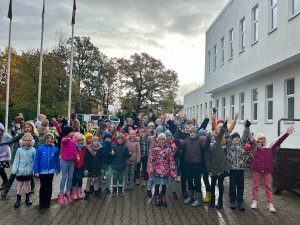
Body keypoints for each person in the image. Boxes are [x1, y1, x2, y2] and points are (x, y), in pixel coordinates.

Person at [248, 126, 295, 213]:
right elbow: (251, 139)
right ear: (257, 140)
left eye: (264, 138)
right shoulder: (255, 147)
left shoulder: (270, 147)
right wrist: (247, 128)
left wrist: (286, 133)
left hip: (267, 171)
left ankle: (270, 203)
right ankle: (254, 201)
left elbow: (278, 140)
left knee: (268, 187)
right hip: (257, 170)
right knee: (255, 186)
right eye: (261, 139)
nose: (263, 140)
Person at [0, 121, 39, 198]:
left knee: (30, 172)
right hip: (21, 158)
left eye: (29, 127)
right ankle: (6, 190)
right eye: (25, 127)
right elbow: (12, 140)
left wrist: (30, 148)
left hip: (30, 158)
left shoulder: (35, 136)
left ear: (32, 128)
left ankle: (32, 187)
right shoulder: (21, 135)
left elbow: (36, 146)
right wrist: (2, 143)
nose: (27, 128)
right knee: (13, 173)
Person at [175, 126, 210, 207]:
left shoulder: (200, 141)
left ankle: (199, 200)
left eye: (194, 132)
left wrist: (208, 139)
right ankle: (190, 197)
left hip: (197, 165)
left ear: (196, 133)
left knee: (197, 182)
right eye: (191, 132)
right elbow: (180, 146)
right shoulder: (186, 140)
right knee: (190, 181)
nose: (192, 133)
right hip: (188, 165)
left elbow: (205, 147)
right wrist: (176, 139)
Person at [225, 120, 253, 211]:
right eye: (234, 137)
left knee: (240, 186)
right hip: (232, 169)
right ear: (232, 139)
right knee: (232, 186)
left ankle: (240, 201)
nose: (236, 138)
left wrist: (247, 127)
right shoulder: (229, 145)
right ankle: (232, 201)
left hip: (241, 169)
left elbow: (245, 136)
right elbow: (226, 135)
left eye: (238, 137)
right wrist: (225, 126)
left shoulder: (242, 144)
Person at [206, 120, 231, 209]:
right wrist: (209, 170)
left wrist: (225, 124)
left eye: (214, 137)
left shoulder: (218, 143)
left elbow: (221, 133)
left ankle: (220, 201)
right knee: (213, 185)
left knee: (220, 185)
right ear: (209, 138)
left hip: (221, 168)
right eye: (211, 137)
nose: (213, 138)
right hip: (213, 170)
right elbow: (207, 160)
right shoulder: (208, 147)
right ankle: (213, 200)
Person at [34, 133, 60, 209]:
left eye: (51, 138)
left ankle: (47, 202)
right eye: (48, 138)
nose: (50, 140)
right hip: (42, 172)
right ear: (45, 139)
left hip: (51, 171)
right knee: (43, 187)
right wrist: (36, 171)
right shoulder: (40, 149)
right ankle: (41, 203)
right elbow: (36, 160)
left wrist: (58, 169)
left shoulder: (55, 149)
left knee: (49, 187)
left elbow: (57, 160)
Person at [12, 133, 36, 208]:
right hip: (20, 171)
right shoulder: (19, 150)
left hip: (29, 171)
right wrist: (14, 170)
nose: (27, 142)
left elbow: (35, 160)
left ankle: (27, 198)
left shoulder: (33, 150)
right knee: (19, 185)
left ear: (31, 141)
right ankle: (18, 200)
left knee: (28, 184)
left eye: (29, 140)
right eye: (25, 140)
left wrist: (35, 170)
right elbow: (16, 160)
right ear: (22, 141)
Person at [58, 126, 78, 205]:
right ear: (67, 132)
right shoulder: (65, 139)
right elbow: (63, 141)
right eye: (71, 132)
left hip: (72, 161)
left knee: (70, 177)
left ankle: (68, 192)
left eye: (73, 132)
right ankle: (61, 194)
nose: (73, 133)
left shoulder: (74, 140)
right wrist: (67, 139)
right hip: (64, 161)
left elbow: (74, 149)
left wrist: (77, 156)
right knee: (64, 177)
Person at [84, 136, 103, 200]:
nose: (96, 142)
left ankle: (96, 191)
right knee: (89, 181)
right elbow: (86, 160)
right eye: (94, 141)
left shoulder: (100, 149)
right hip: (90, 167)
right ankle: (87, 193)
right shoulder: (88, 149)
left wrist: (101, 166)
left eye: (97, 141)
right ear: (92, 142)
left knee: (96, 180)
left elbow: (101, 159)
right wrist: (86, 169)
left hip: (97, 167)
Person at [72, 134, 87, 200]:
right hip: (74, 167)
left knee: (80, 180)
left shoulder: (85, 149)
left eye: (82, 140)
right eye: (79, 140)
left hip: (81, 167)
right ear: (76, 141)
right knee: (74, 180)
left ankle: (79, 192)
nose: (81, 141)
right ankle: (74, 192)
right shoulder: (74, 148)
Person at [0, 123, 11, 190]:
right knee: (1, 170)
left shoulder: (6, 135)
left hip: (5, 155)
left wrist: (8, 147)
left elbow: (11, 140)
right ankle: (5, 181)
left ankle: (6, 181)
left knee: (0, 168)